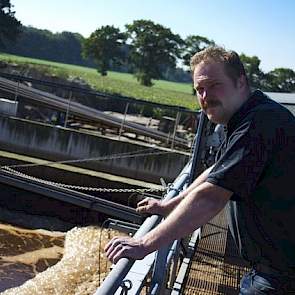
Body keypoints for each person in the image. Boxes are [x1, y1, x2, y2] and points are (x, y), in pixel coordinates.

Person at [105, 46, 295, 294]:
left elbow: (211, 196)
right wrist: (168, 206)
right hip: (268, 269)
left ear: (240, 82)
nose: (205, 96)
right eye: (199, 90)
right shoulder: (246, 116)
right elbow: (216, 170)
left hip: (281, 277)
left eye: (214, 85)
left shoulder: (259, 123)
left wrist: (144, 243)